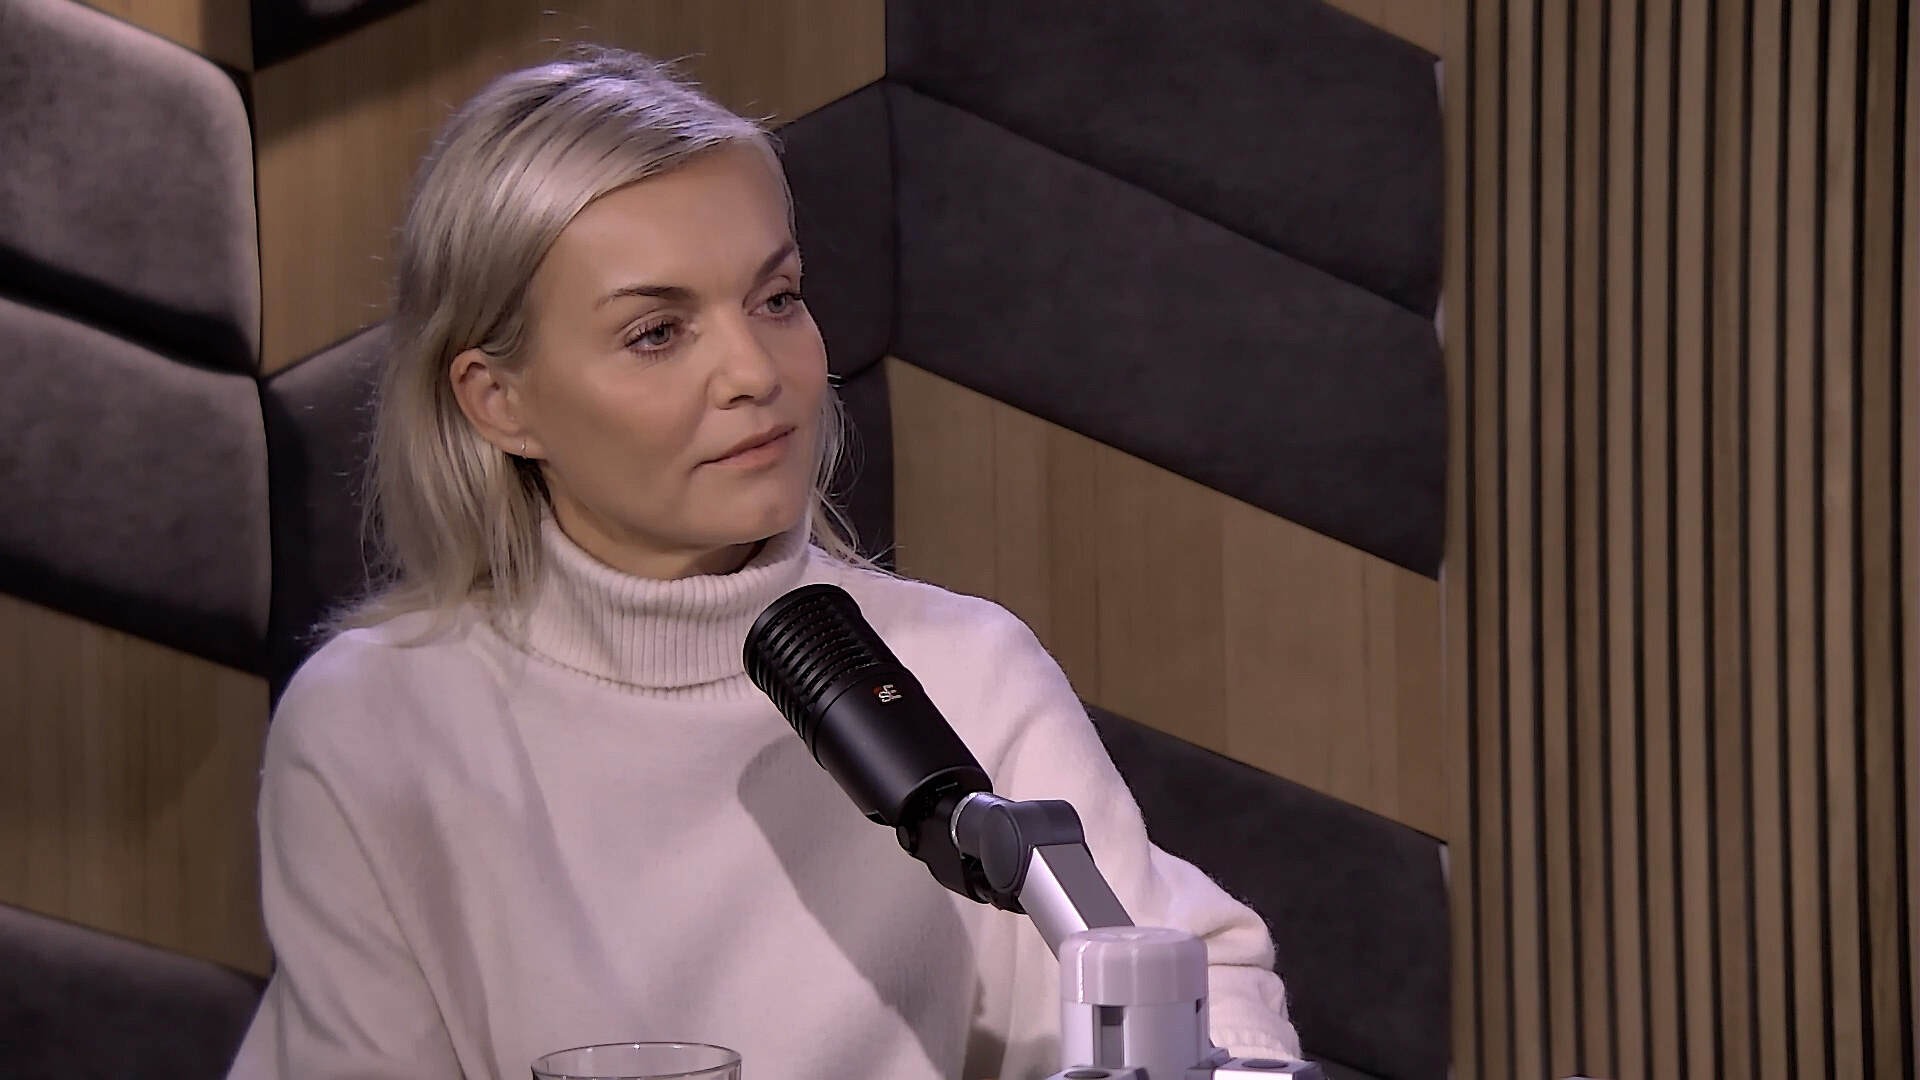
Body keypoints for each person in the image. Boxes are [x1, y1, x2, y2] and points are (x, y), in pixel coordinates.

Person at [226, 46, 1302, 1080]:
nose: (755, 370)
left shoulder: (963, 670)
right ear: (498, 401)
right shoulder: (378, 722)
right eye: (657, 332)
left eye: (776, 298)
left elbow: (1195, 984)